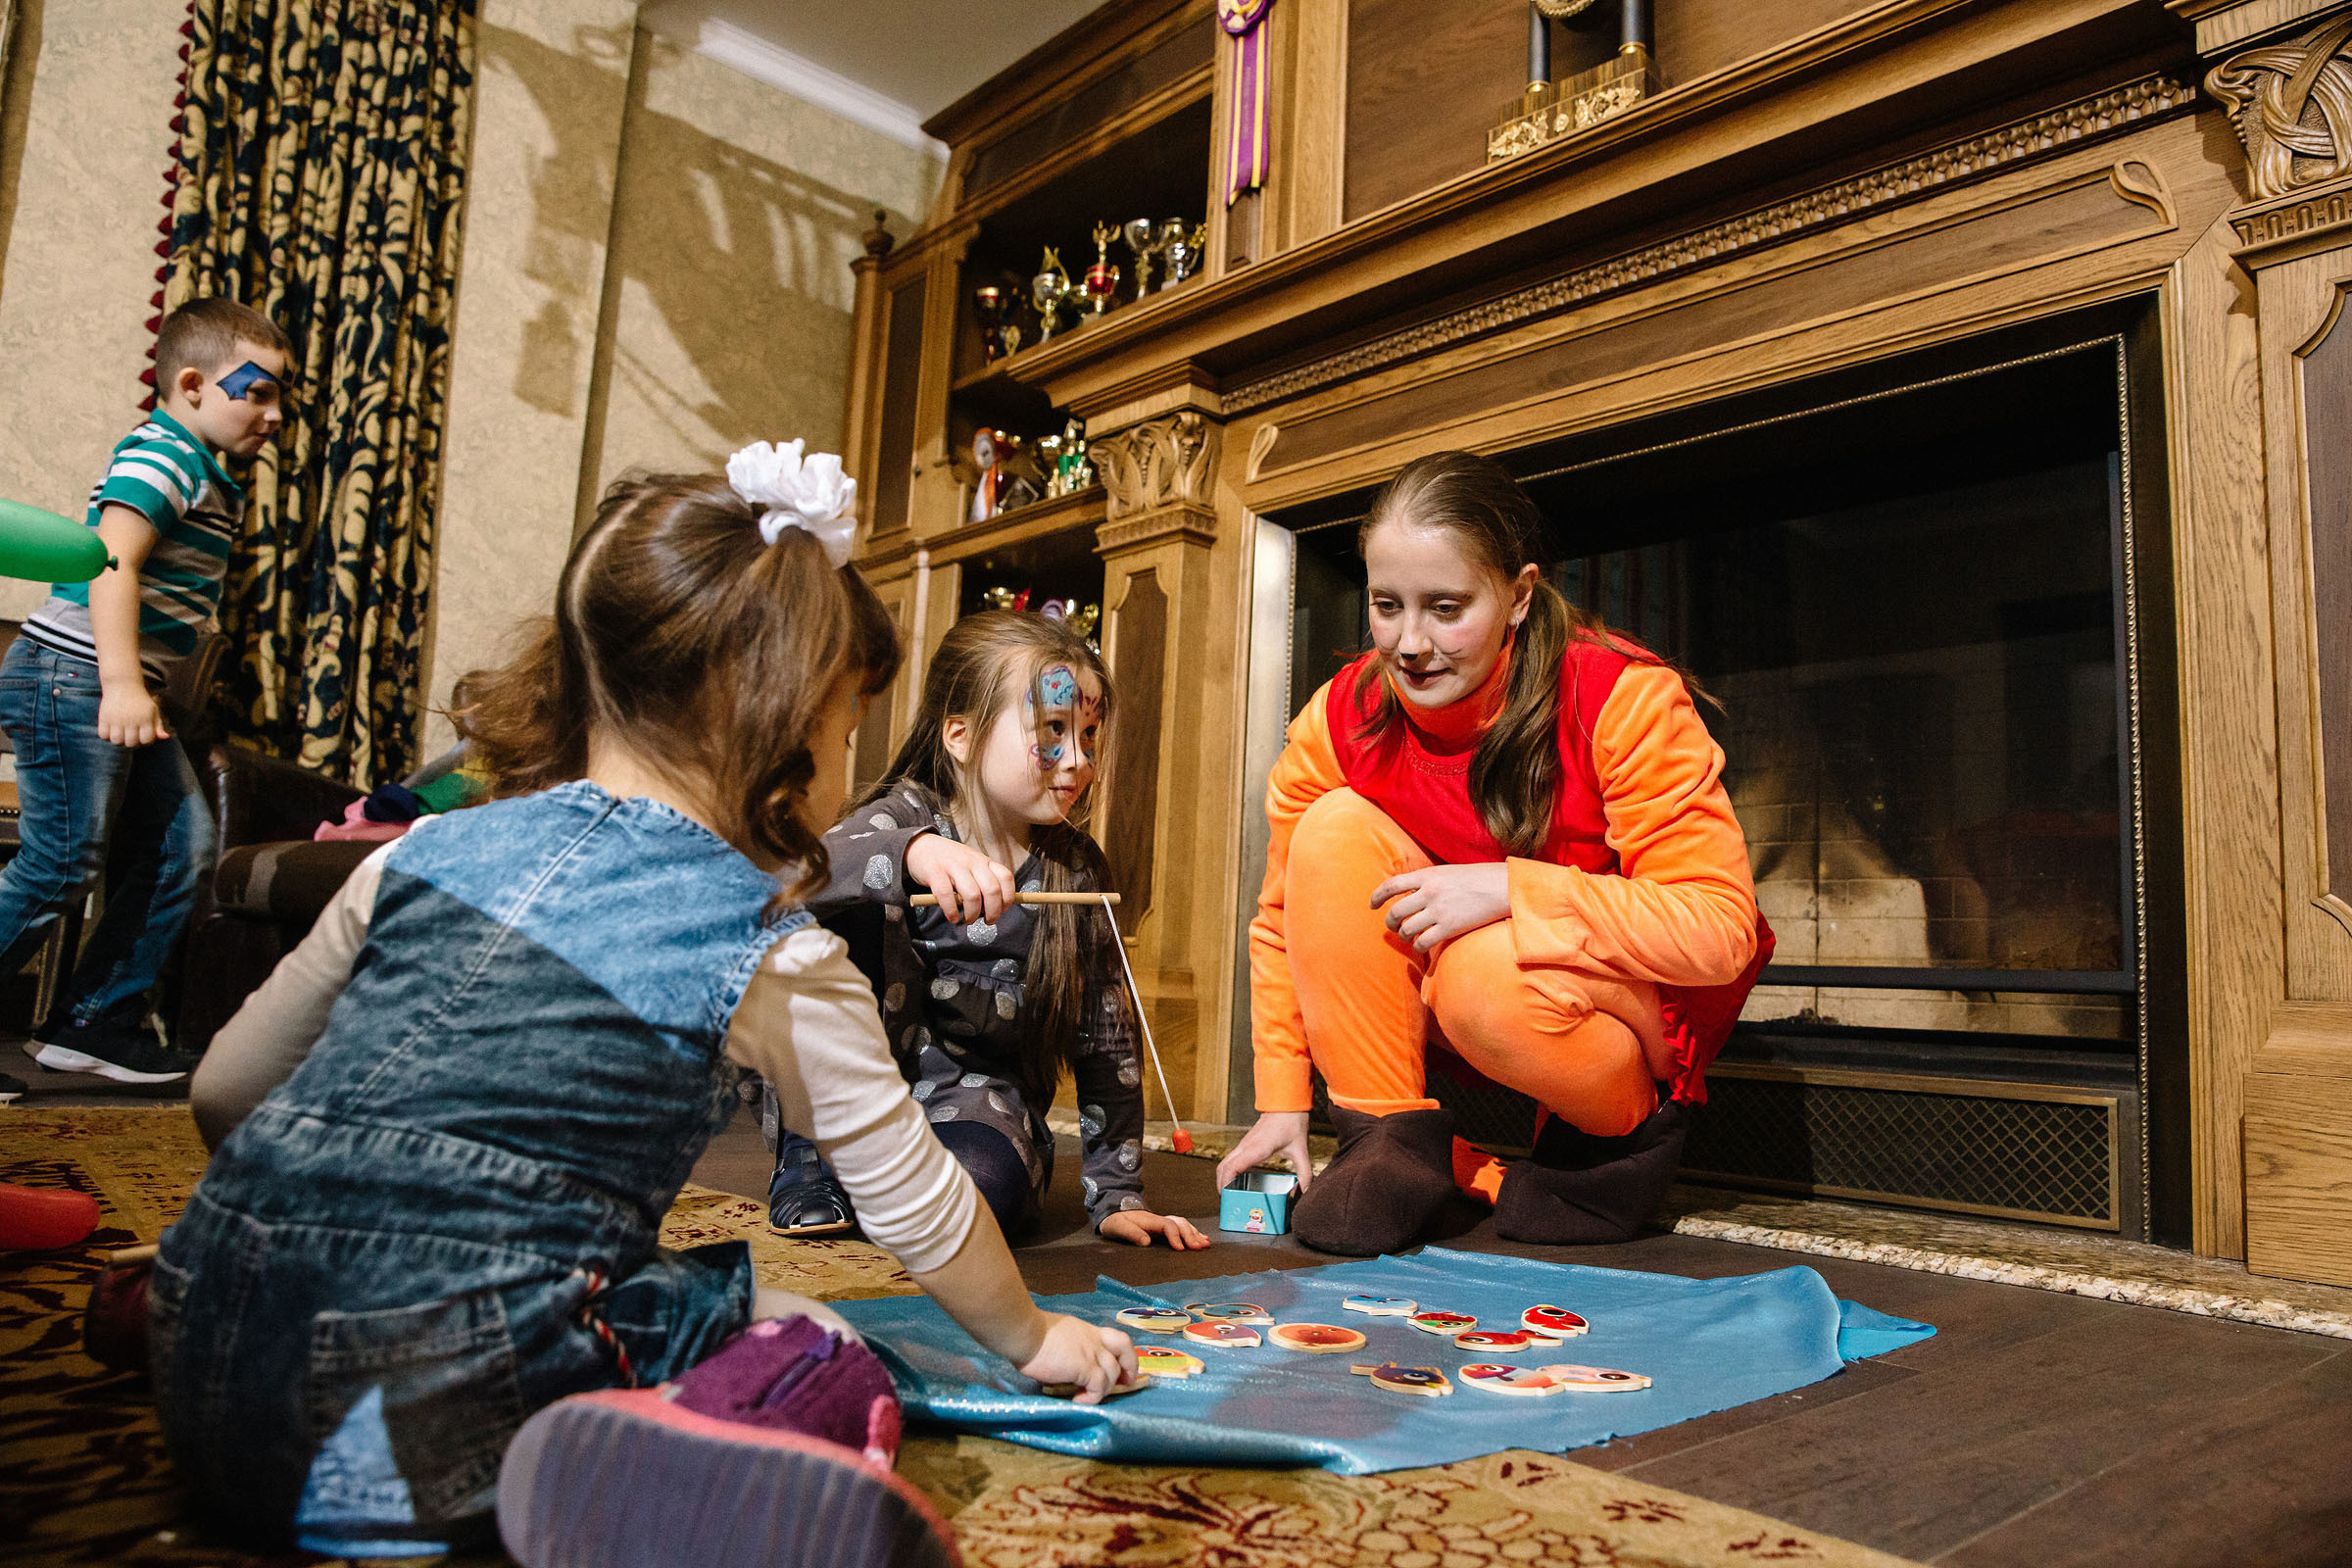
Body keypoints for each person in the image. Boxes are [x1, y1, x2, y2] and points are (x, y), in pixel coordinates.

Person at [155, 450, 1136, 1561]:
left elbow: (226, 1087)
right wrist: (1033, 1331)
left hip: (204, 1328)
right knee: (820, 1337)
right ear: (780, 713)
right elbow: (916, 1201)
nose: (844, 757)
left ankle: (249, 1346)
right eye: (844, 720)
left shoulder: (424, 848)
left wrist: (318, 1237)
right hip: (448, 1393)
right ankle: (632, 1472)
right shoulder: (773, 944)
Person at [1215, 451, 1772, 1256]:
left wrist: (1509, 889)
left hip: (1604, 1014)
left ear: (1518, 595)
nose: (1410, 644)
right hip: (1447, 999)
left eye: (1447, 608)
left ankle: (1608, 1152)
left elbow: (1721, 930)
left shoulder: (1620, 696)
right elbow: (1280, 926)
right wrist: (1281, 1102)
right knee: (1332, 830)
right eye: (1386, 606)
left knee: (1484, 975)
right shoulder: (1339, 718)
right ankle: (1386, 1141)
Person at [764, 611, 1209, 1253]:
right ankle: (812, 1161)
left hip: (979, 1111)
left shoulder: (1077, 870)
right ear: (961, 737)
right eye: (1052, 732)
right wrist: (912, 852)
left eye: (1088, 734)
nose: (1078, 760)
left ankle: (888, 1193)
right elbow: (797, 877)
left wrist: (1117, 1194)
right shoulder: (903, 817)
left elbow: (1106, 1037)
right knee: (846, 904)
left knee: (980, 1187)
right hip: (851, 1095)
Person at [0, 299, 289, 1102]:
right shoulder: (160, 456)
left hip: (112, 681)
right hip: (77, 674)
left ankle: (91, 1023)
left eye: (280, 396)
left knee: (180, 850)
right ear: (192, 383)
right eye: (257, 391)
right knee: (62, 860)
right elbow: (112, 564)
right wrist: (125, 682)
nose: (274, 413)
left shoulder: (202, 471)